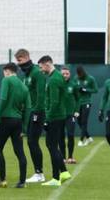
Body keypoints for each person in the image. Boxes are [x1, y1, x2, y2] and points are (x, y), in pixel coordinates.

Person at [0, 62, 30, 189]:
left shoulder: (6, 80)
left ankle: (2, 180)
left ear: (7, 71)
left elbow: (3, 99)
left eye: (4, 72)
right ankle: (22, 182)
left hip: (6, 120)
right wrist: (24, 126)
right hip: (18, 122)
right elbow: (28, 108)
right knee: (20, 152)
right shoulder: (24, 87)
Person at [38, 56, 71, 187]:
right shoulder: (55, 77)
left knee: (51, 146)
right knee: (52, 145)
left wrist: (47, 119)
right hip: (58, 116)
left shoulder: (54, 80)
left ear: (47, 64)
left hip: (55, 117)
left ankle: (56, 178)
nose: (40, 70)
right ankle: (63, 172)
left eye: (41, 67)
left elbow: (55, 102)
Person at [14, 48, 46, 183]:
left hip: (37, 112)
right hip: (28, 112)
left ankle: (39, 173)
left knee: (32, 141)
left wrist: (37, 112)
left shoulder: (37, 73)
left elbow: (41, 94)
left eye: (20, 61)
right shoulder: (26, 75)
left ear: (26, 57)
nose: (19, 64)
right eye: (17, 62)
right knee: (31, 142)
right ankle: (39, 172)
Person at [59, 66, 80, 164]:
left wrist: (76, 110)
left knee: (70, 135)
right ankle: (63, 157)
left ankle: (70, 157)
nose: (65, 75)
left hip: (70, 115)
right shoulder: (57, 84)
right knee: (60, 136)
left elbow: (78, 99)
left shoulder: (74, 85)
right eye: (63, 73)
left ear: (70, 74)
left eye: (67, 73)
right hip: (59, 115)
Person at [74, 65, 98, 147]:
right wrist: (77, 89)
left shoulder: (90, 78)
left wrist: (85, 90)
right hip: (78, 103)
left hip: (87, 102)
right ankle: (88, 137)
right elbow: (74, 88)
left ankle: (81, 140)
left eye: (80, 74)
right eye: (78, 74)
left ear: (83, 72)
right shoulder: (75, 78)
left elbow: (95, 90)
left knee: (84, 121)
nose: (79, 76)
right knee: (79, 122)